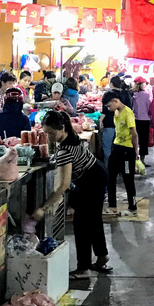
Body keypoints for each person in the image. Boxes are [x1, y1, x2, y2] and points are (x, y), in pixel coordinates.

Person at [33, 111, 111, 278]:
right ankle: (102, 256)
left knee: (81, 223)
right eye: (46, 133)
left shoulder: (65, 151)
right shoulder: (70, 136)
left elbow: (64, 185)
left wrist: (44, 207)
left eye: (52, 133)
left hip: (92, 179)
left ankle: (84, 268)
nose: (49, 137)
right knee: (94, 218)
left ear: (61, 128)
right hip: (97, 172)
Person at [104, 91, 139, 215]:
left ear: (115, 101)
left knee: (128, 179)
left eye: (109, 106)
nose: (108, 109)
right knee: (110, 176)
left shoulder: (128, 113)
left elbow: (134, 133)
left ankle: (133, 205)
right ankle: (112, 205)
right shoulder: (116, 111)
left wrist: (136, 151)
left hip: (127, 151)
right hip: (117, 148)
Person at [132, 76, 152, 162]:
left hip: (135, 120)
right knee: (144, 141)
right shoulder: (146, 95)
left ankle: (134, 158)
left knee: (135, 140)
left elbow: (132, 108)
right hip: (145, 120)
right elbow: (149, 108)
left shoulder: (133, 95)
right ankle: (142, 160)